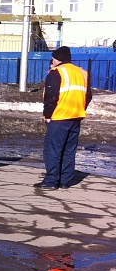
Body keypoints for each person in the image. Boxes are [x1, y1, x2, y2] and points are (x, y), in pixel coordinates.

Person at [34, 46, 91, 190]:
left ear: (56, 58)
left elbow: (50, 97)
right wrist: (79, 108)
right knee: (68, 150)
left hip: (60, 117)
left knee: (52, 149)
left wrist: (47, 116)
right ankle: (65, 180)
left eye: (53, 58)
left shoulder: (56, 72)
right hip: (76, 116)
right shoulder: (82, 73)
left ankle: (51, 180)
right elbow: (88, 95)